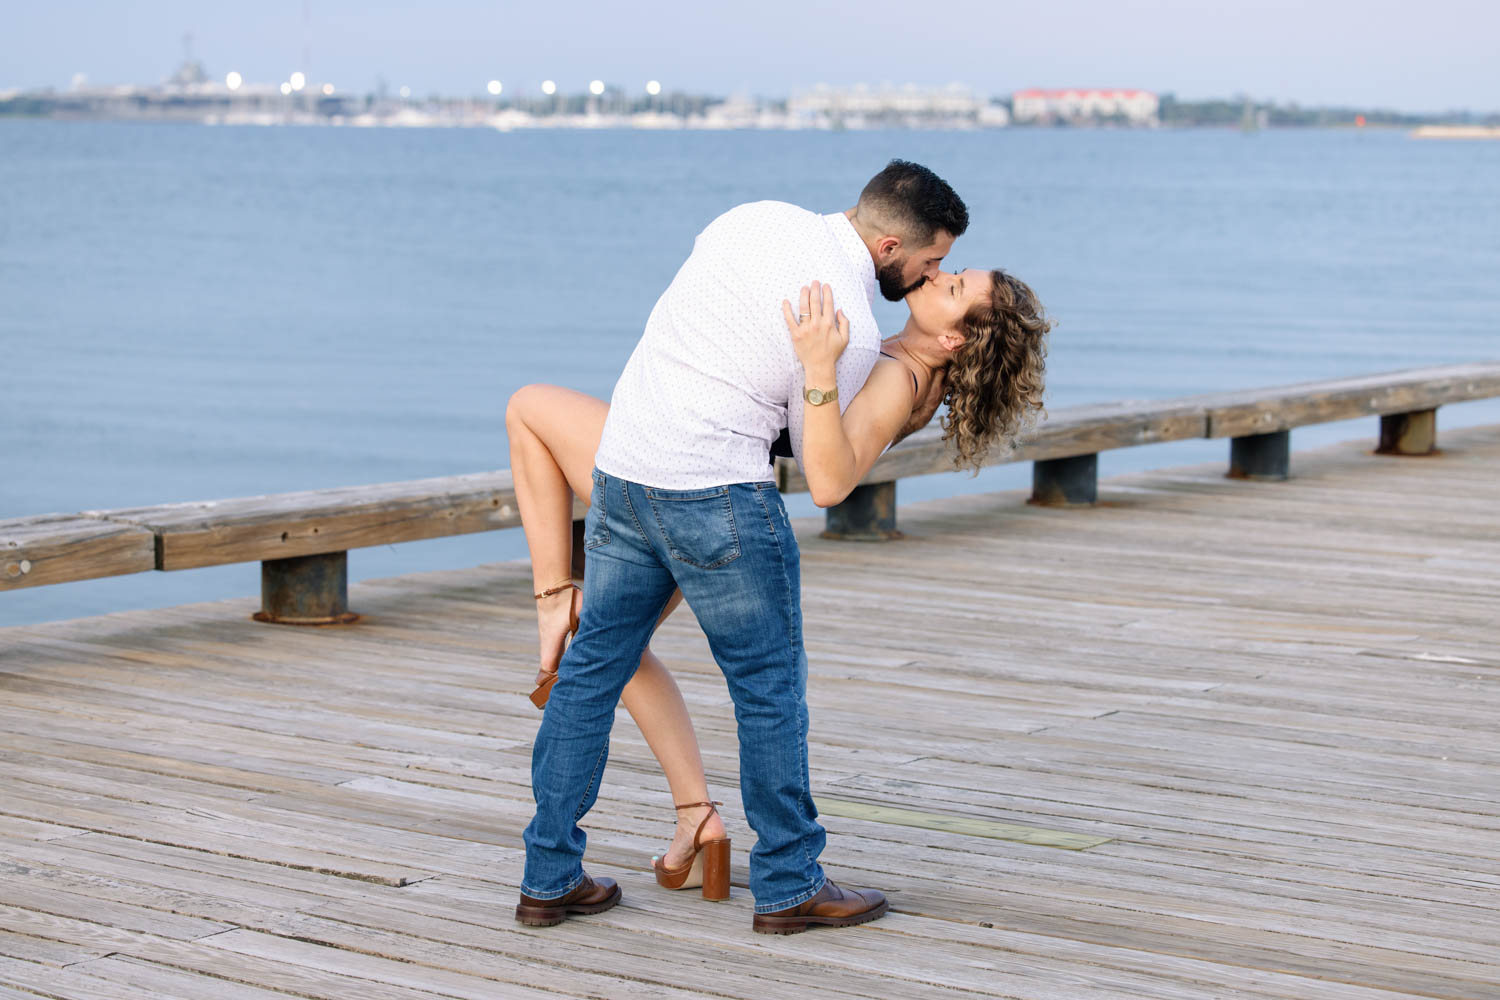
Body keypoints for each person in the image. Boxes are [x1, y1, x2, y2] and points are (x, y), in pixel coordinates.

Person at [514, 161, 1006, 933]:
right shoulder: (846, 324)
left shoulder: (753, 217)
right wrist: (819, 368)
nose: (930, 272)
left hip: (625, 471)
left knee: (590, 677)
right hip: (715, 496)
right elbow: (823, 470)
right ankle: (788, 884)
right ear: (889, 245)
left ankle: (547, 877)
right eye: (931, 261)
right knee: (768, 692)